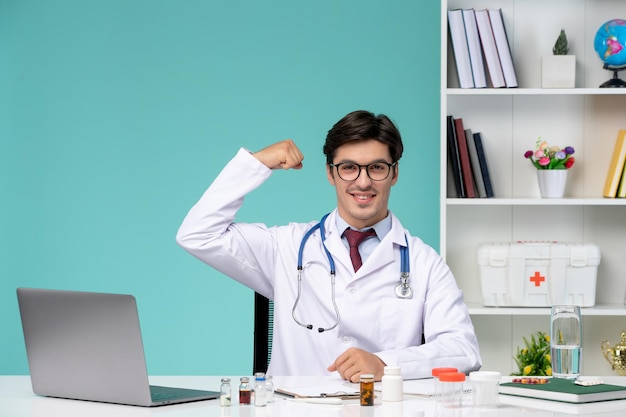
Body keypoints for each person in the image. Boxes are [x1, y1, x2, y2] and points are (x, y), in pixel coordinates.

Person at [176, 110, 481, 382]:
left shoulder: (424, 263)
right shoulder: (286, 246)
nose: (363, 182)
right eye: (348, 167)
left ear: (394, 174)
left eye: (376, 168)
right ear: (330, 173)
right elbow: (197, 234)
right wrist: (257, 164)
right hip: (294, 411)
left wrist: (385, 364)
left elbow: (463, 350)